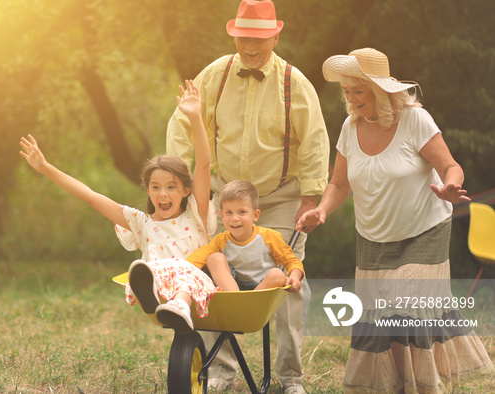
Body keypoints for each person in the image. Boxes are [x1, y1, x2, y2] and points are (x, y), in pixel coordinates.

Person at [297, 47, 494, 393]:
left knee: (406, 306)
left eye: (358, 91)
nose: (351, 99)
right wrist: (322, 210)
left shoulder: (415, 120)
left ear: (380, 91)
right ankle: (398, 386)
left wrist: (452, 185)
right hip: (373, 239)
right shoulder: (349, 127)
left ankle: (424, 386)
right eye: (347, 92)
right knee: (384, 320)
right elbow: (339, 183)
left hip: (423, 232)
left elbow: (450, 165)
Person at [166, 0, 329, 392]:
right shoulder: (214, 76)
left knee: (291, 282)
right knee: (207, 272)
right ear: (234, 35)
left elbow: (314, 142)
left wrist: (311, 196)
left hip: (279, 196)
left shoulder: (294, 82)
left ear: (275, 34)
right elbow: (183, 128)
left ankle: (290, 378)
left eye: (258, 37)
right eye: (243, 37)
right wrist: (178, 185)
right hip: (222, 194)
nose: (250, 46)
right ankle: (221, 370)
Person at [21, 80, 220, 329]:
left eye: (171, 187)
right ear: (147, 190)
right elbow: (90, 196)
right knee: (146, 269)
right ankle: (154, 292)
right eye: (155, 187)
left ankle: (180, 304)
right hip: (163, 288)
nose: (163, 194)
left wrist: (195, 118)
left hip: (195, 284)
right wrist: (45, 168)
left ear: (186, 190)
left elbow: (202, 165)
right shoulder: (141, 222)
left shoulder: (195, 214)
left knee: (183, 269)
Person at [154, 179, 306, 334]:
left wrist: (294, 275)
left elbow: (291, 260)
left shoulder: (269, 237)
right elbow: (198, 258)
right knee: (214, 258)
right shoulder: (221, 240)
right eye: (229, 212)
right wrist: (178, 271)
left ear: (255, 215)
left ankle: (244, 308)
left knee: (278, 274)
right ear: (221, 215)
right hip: (232, 288)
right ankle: (237, 304)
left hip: (259, 293)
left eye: (242, 212)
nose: (235, 218)